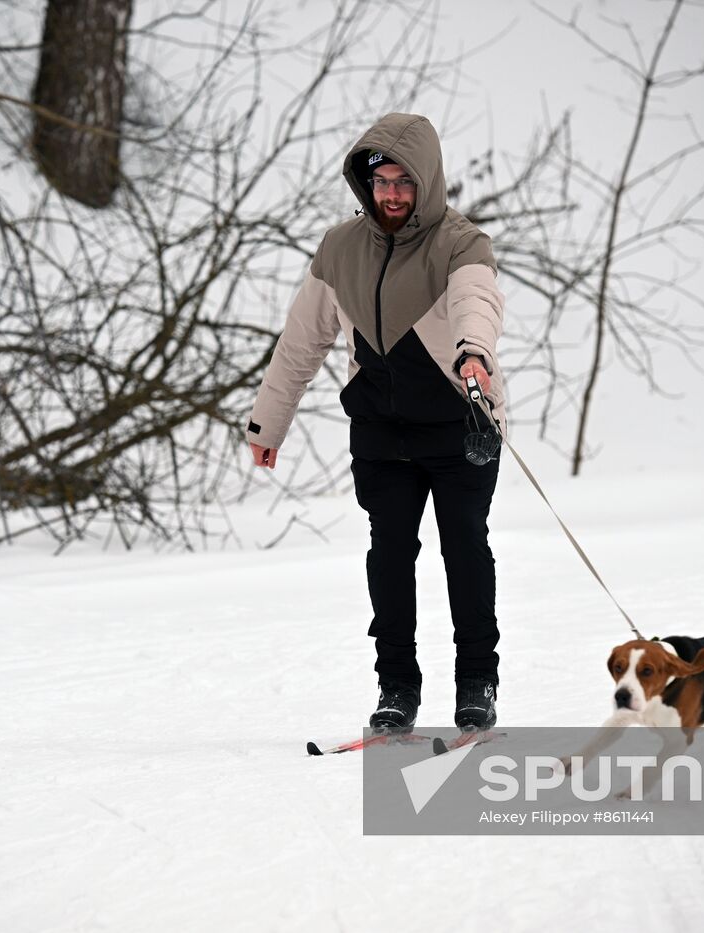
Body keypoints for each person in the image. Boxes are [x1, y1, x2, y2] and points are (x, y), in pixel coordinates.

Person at [246, 113, 508, 734]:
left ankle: (477, 683)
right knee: (390, 556)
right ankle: (397, 688)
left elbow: (478, 299)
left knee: (463, 549)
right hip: (382, 432)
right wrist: (268, 426)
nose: (391, 195)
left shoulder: (460, 242)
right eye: (381, 182)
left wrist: (475, 351)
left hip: (458, 424)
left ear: (428, 182)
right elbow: (301, 342)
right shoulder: (341, 248)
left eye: (404, 183)